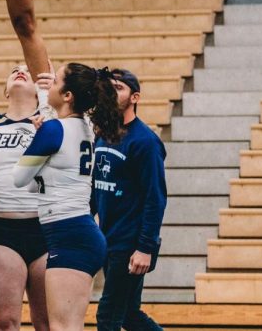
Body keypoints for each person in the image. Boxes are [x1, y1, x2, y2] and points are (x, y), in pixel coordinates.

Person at [13, 64, 124, 331]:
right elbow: (34, 186)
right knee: (65, 325)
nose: (47, 86)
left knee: (63, 326)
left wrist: (37, 135)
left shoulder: (54, 130)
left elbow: (19, 178)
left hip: (69, 232)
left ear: (68, 95)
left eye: (54, 82)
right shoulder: (84, 125)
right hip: (75, 230)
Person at [0, 66, 51, 331]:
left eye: (27, 71)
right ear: (5, 91)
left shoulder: (51, 122)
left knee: (48, 321)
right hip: (3, 230)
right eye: (14, 70)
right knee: (4, 322)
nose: (20, 71)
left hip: (47, 229)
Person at [91, 69, 167, 331]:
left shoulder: (145, 142)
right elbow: (94, 189)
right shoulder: (102, 134)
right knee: (129, 316)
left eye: (119, 88)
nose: (112, 94)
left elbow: (155, 198)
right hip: (107, 240)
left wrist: (145, 247)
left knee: (108, 316)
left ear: (134, 97)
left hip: (130, 244)